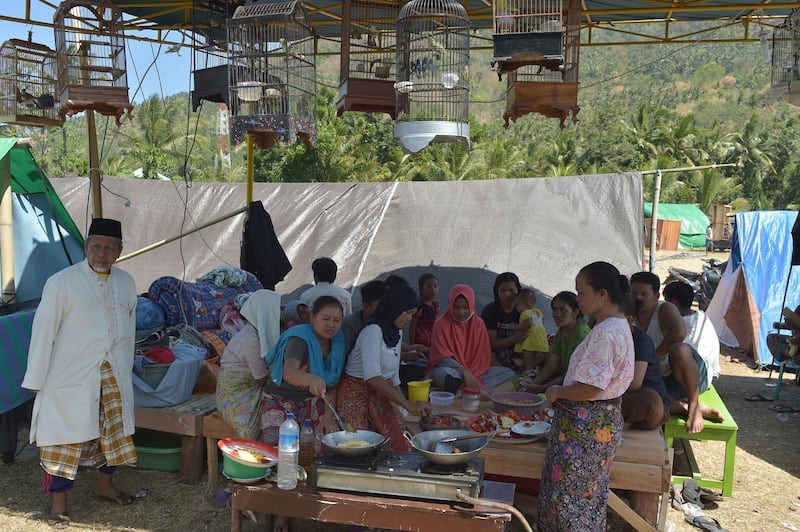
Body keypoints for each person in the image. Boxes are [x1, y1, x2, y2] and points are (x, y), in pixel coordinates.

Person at [22, 218, 138, 527]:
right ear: (86, 248)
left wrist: (126, 369)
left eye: (109, 248)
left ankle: (105, 486)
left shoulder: (126, 282)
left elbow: (131, 330)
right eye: (96, 246)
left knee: (111, 437)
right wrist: (35, 380)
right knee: (63, 441)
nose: (102, 253)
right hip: (69, 377)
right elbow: (43, 332)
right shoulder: (61, 282)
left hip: (113, 375)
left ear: (119, 252)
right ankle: (58, 505)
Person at [539, 261, 634, 531]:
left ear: (602, 295)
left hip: (586, 428)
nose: (578, 299)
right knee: (586, 498)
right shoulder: (614, 327)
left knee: (571, 501)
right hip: (596, 424)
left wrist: (558, 391)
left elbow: (591, 387)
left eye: (582, 292)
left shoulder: (606, 334)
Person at [337, 285, 432, 450]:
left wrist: (405, 405)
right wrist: (408, 405)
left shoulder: (397, 333)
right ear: (395, 307)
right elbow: (373, 377)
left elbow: (394, 379)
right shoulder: (373, 330)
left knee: (398, 442)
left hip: (382, 393)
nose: (409, 318)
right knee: (360, 445)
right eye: (407, 312)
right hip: (356, 395)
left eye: (412, 314)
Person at [630, 272, 722, 434]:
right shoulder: (630, 315)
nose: (638, 298)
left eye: (644, 294)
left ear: (657, 295)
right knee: (642, 397)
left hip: (689, 375)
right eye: (634, 293)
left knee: (678, 349)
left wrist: (654, 357)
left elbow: (679, 333)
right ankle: (687, 408)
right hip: (662, 379)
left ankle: (693, 406)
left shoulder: (665, 309)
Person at [260, 296, 346, 446]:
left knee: (325, 443)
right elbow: (289, 371)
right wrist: (311, 379)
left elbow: (331, 384)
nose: (331, 325)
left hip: (309, 401)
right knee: (278, 448)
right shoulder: (299, 339)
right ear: (312, 317)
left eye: (337, 321)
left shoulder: (337, 343)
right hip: (279, 399)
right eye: (326, 319)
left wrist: (328, 418)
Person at [216, 289, 282, 441]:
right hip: (236, 394)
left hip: (253, 389)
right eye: (276, 309)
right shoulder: (250, 340)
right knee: (249, 428)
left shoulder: (258, 333)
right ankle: (246, 459)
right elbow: (262, 380)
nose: (279, 313)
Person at [427, 284, 516, 394]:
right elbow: (441, 357)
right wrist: (464, 371)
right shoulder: (440, 324)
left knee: (508, 373)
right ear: (450, 305)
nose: (461, 312)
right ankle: (470, 388)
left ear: (472, 305)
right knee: (446, 376)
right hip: (453, 370)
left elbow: (483, 356)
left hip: (477, 371)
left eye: (465, 307)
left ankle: (465, 389)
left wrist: (472, 373)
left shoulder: (478, 323)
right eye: (456, 307)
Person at [520, 291, 590, 393]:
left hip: (576, 381)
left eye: (563, 310)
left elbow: (570, 374)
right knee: (524, 381)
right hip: (561, 374)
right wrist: (533, 385)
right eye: (555, 310)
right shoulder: (562, 331)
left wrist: (542, 388)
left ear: (576, 312)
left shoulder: (581, 335)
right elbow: (552, 365)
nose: (557, 314)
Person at [619, 295, 671, 430]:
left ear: (628, 320)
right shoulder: (603, 336)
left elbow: (634, 384)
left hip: (640, 398)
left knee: (650, 401)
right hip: (616, 397)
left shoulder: (641, 340)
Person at [662, 281, 722, 380]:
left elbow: (673, 356)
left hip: (701, 374)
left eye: (666, 301)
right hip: (708, 369)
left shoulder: (683, 323)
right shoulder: (700, 315)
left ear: (674, 303)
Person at [481, 272, 529, 370]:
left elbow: (529, 336)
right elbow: (491, 345)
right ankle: (506, 373)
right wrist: (513, 339)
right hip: (498, 352)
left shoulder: (525, 311)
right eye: (503, 290)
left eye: (511, 290)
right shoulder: (490, 311)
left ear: (518, 290)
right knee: (486, 355)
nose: (507, 294)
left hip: (520, 350)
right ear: (497, 292)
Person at [340, 280, 388, 355]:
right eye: (380, 306)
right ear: (365, 306)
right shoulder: (348, 326)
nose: (385, 310)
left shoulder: (386, 322)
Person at [512, 288, 549, 371]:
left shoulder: (526, 313)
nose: (516, 308)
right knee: (533, 358)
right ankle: (532, 369)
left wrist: (516, 326)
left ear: (527, 305)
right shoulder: (537, 312)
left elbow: (528, 324)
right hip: (540, 339)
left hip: (531, 341)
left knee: (528, 361)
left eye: (518, 305)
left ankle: (527, 374)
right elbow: (541, 322)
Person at [408, 273, 440, 348]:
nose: (433, 289)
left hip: (432, 340)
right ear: (421, 290)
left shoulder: (435, 306)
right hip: (420, 342)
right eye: (428, 286)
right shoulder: (419, 307)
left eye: (435, 286)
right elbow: (412, 326)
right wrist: (412, 345)